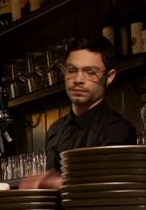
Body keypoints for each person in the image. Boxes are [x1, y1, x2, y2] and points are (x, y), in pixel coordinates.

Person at [30, 36, 137, 189]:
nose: (78, 79)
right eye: (72, 70)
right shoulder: (56, 130)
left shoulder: (118, 130)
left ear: (109, 77)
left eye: (90, 72)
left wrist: (53, 182)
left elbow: (107, 186)